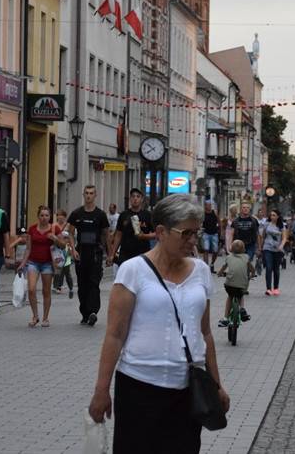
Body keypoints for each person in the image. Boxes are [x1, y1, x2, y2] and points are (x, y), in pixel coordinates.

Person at [88, 194, 229, 453]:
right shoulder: (133, 270)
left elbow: (205, 333)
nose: (192, 240)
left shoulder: (200, 272)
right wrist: (101, 390)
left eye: (195, 233)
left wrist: (217, 385)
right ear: (161, 232)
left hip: (188, 389)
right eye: (185, 233)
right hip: (139, 387)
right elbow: (115, 335)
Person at [67, 185, 114, 326]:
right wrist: (72, 248)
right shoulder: (77, 213)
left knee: (94, 283)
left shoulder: (100, 215)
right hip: (80, 253)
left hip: (95, 254)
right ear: (83, 195)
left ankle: (93, 311)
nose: (88, 196)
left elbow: (107, 235)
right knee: (82, 285)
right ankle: (84, 313)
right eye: (86, 193)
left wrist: (110, 253)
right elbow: (70, 232)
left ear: (95, 195)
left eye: (91, 193)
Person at [16, 206, 66, 327]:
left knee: (46, 291)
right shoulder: (32, 229)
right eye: (42, 215)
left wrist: (55, 238)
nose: (44, 218)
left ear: (50, 217)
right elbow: (28, 248)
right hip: (33, 262)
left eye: (46, 216)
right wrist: (22, 264)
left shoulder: (55, 229)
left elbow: (63, 245)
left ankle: (45, 318)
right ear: (38, 216)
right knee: (32, 289)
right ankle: (35, 316)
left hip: (48, 263)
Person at [111, 188, 154, 265]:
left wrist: (144, 236)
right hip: (126, 254)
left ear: (142, 199)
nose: (135, 199)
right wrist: (112, 254)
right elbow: (118, 235)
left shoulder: (147, 215)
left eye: (138, 196)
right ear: (130, 199)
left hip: (142, 253)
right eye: (133, 196)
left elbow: (156, 234)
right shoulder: (124, 215)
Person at [216, 239, 254, 326]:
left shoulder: (229, 257)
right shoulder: (246, 257)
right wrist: (252, 275)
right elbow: (253, 269)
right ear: (244, 249)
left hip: (230, 285)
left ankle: (225, 318)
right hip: (242, 285)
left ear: (231, 250)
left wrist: (219, 273)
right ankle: (242, 309)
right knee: (240, 295)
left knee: (230, 296)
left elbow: (223, 268)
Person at [257, 208, 287, 295]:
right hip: (267, 248)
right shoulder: (266, 224)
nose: (272, 217)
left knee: (276, 269)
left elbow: (284, 237)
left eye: (274, 215)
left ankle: (276, 288)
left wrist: (281, 246)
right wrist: (261, 248)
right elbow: (263, 236)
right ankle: (268, 288)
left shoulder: (281, 226)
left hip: (278, 249)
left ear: (278, 216)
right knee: (269, 267)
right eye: (271, 215)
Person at [52, 208, 74, 298]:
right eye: (58, 215)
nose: (60, 217)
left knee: (66, 270)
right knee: (57, 270)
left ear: (65, 217)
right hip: (57, 250)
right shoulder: (54, 226)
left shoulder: (68, 226)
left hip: (66, 249)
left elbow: (72, 237)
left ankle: (71, 287)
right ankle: (56, 286)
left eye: (62, 215)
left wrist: (71, 247)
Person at [201, 200, 222, 268]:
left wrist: (222, 230)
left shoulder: (215, 213)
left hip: (214, 233)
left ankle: (212, 263)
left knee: (215, 251)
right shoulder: (203, 214)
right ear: (205, 206)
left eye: (210, 205)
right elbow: (199, 222)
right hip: (206, 233)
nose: (209, 206)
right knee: (206, 249)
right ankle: (206, 265)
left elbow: (219, 222)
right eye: (207, 205)